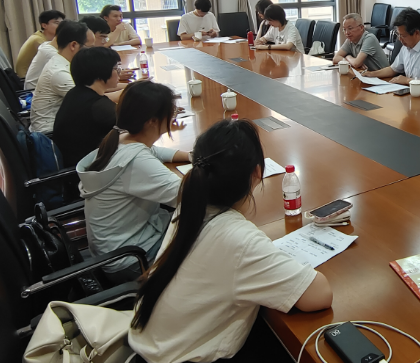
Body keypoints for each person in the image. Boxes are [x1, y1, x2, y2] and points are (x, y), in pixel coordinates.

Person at [128, 118, 332, 363]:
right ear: (257, 173)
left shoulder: (190, 208)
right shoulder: (237, 239)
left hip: (153, 349)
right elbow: (320, 295)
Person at [77, 80, 190, 283]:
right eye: (171, 112)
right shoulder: (136, 161)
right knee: (207, 235)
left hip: (112, 250)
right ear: (152, 121)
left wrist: (190, 155)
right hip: (133, 260)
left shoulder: (119, 139)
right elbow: (190, 196)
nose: (173, 116)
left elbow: (153, 151)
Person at [53, 47, 122, 167]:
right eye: (116, 69)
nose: (119, 72)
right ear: (101, 73)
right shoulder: (98, 106)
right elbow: (134, 127)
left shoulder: (76, 93)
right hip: (89, 170)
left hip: (76, 162)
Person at [363, 8, 420, 91]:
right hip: (415, 93)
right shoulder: (406, 47)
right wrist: (372, 74)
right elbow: (393, 69)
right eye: (398, 34)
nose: (400, 39)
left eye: (403, 36)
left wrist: (407, 80)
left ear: (416, 33)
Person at [30, 21, 93, 133]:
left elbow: (93, 86)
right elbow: (92, 99)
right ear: (73, 45)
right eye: (90, 48)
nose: (93, 53)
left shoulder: (64, 61)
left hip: (63, 124)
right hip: (51, 133)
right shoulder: (59, 72)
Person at [14, 10, 64, 78]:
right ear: (44, 25)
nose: (61, 26)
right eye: (57, 23)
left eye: (62, 23)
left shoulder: (43, 37)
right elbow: (58, 60)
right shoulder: (38, 40)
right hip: (26, 79)